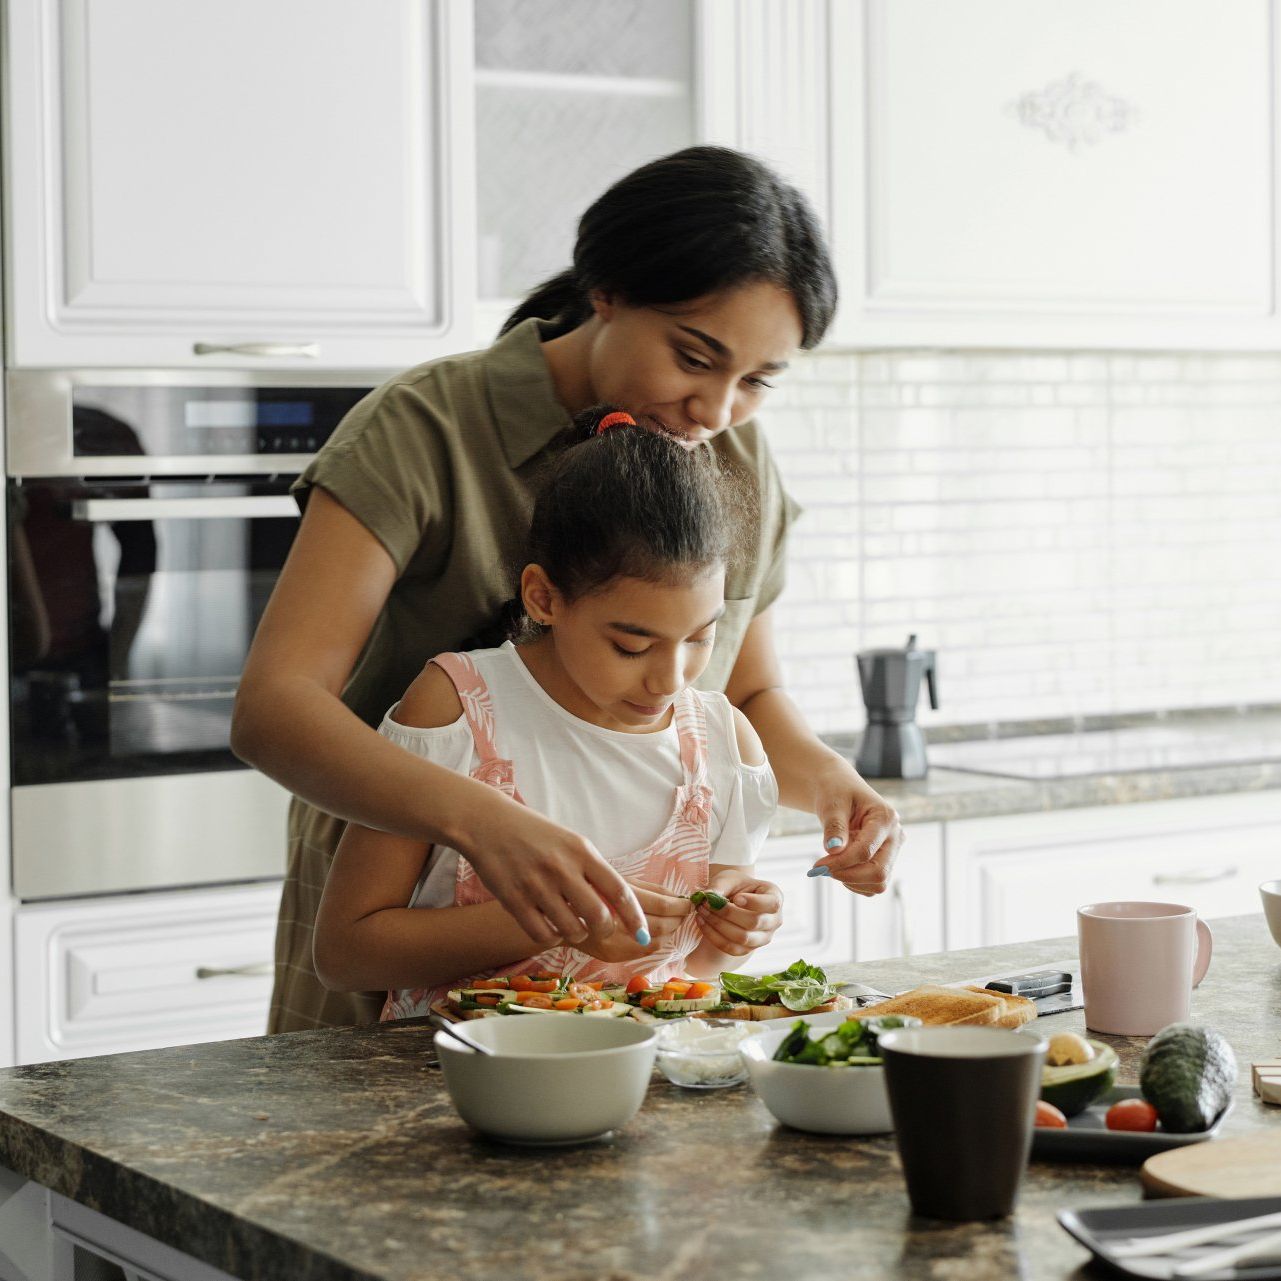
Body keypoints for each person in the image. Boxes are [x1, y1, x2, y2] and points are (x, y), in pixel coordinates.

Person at [231, 144, 904, 1034]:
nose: (716, 409)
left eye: (755, 382)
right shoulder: (424, 427)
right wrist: (484, 823)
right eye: (694, 356)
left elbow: (742, 691)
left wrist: (828, 784)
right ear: (608, 292)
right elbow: (274, 707)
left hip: (619, 991)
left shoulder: (732, 456)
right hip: (401, 918)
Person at [312, 407, 783, 1014]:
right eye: (631, 645)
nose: (671, 678)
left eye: (700, 637)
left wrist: (735, 934)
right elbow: (345, 954)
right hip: (453, 1084)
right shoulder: (458, 709)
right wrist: (555, 922)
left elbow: (696, 970)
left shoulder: (723, 743)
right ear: (544, 597)